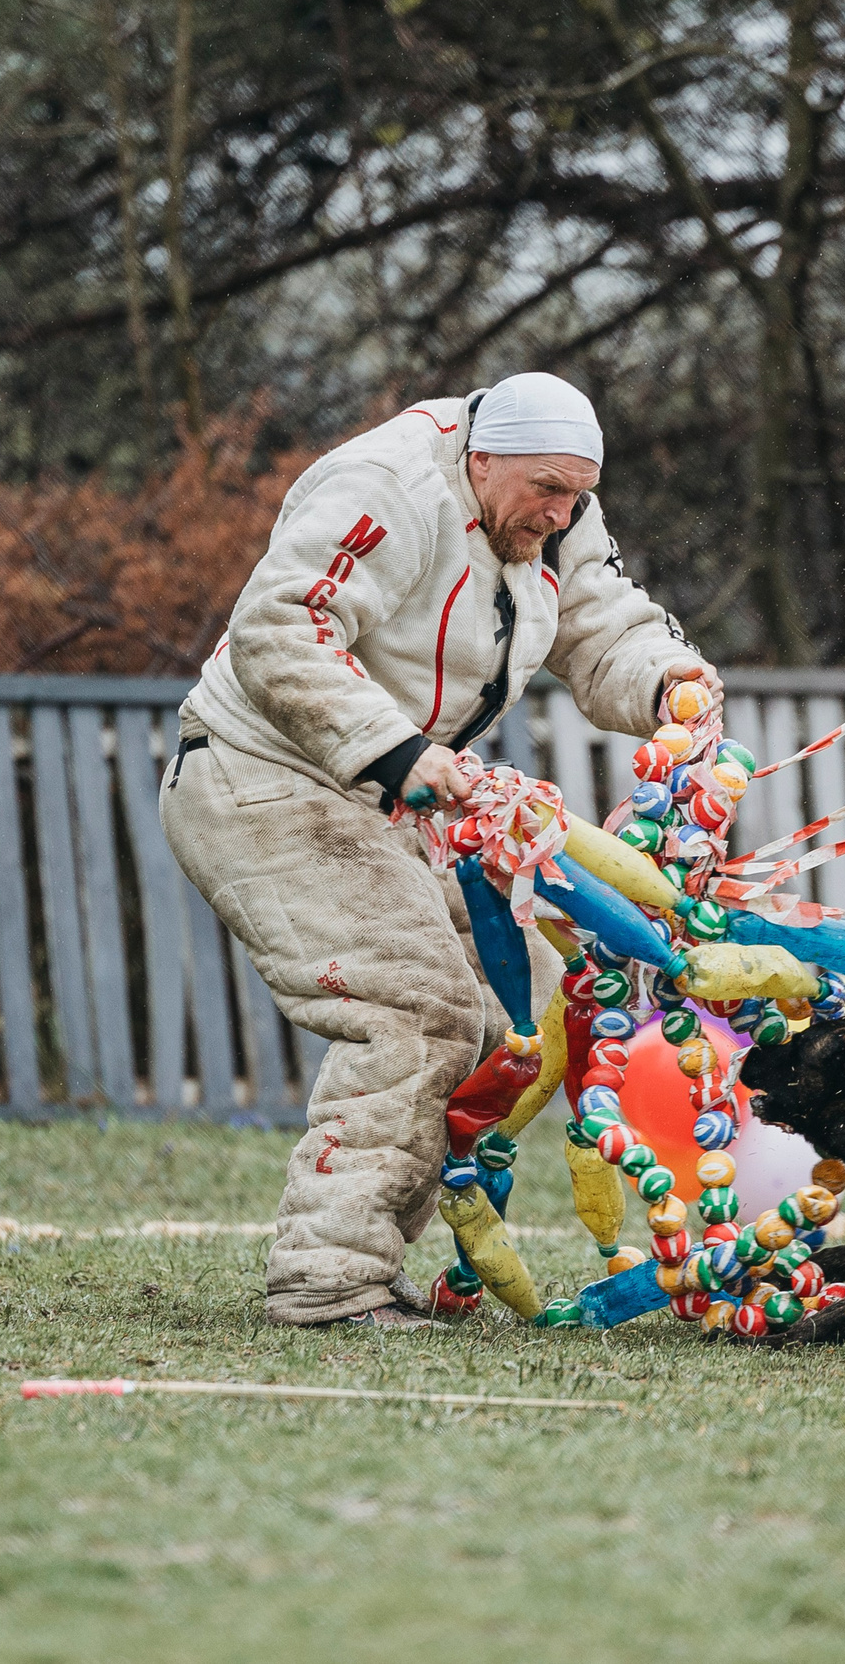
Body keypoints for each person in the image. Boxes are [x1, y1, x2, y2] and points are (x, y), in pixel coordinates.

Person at [162, 372, 718, 1328]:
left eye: (577, 493)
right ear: (481, 457)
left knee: (529, 1011)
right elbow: (280, 623)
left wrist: (669, 680)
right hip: (264, 777)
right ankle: (330, 1282)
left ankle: (413, 1252)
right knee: (418, 1010)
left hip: (390, 794)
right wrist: (398, 752)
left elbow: (600, 624)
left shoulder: (555, 509)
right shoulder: (388, 488)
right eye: (545, 488)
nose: (561, 511)